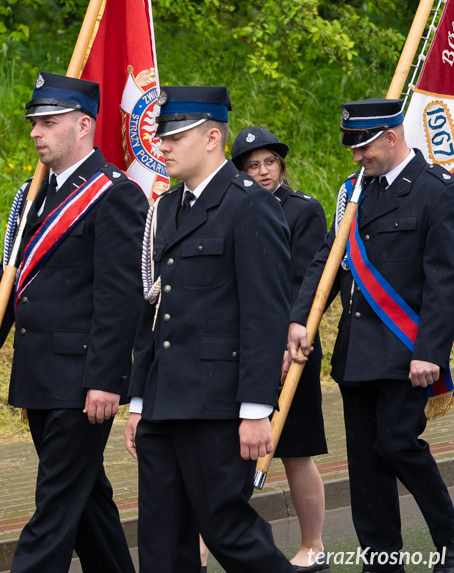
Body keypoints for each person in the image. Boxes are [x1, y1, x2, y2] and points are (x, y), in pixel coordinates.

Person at [0, 71, 146, 573]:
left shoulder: (116, 193)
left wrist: (106, 379)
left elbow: (118, 296)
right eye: (33, 123)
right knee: (87, 504)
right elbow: (7, 278)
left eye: (48, 122)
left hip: (83, 381)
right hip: (40, 377)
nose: (36, 132)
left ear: (83, 126)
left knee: (55, 507)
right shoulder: (32, 194)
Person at [124, 86, 295, 573]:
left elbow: (265, 315)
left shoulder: (249, 205)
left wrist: (257, 409)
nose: (164, 146)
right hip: (163, 401)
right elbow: (156, 309)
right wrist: (138, 402)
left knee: (228, 530)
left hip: (219, 403)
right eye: (162, 136)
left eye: (176, 136)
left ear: (213, 138)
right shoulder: (167, 207)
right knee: (160, 539)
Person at [288, 98, 454, 573]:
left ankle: (449, 541)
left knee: (398, 444)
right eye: (352, 148)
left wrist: (432, 353)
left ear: (391, 137)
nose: (356, 157)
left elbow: (444, 282)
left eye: (363, 147)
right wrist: (301, 318)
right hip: (356, 355)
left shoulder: (436, 191)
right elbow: (326, 259)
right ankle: (381, 560)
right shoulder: (354, 191)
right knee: (364, 464)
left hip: (406, 354)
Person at [230, 126, 329, 571]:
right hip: (243, 350)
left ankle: (313, 546)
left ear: (282, 165)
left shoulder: (303, 210)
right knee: (228, 453)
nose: (263, 171)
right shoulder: (233, 209)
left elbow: (303, 280)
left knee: (295, 451)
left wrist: (288, 338)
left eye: (270, 162)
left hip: (294, 346)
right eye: (253, 165)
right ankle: (201, 550)